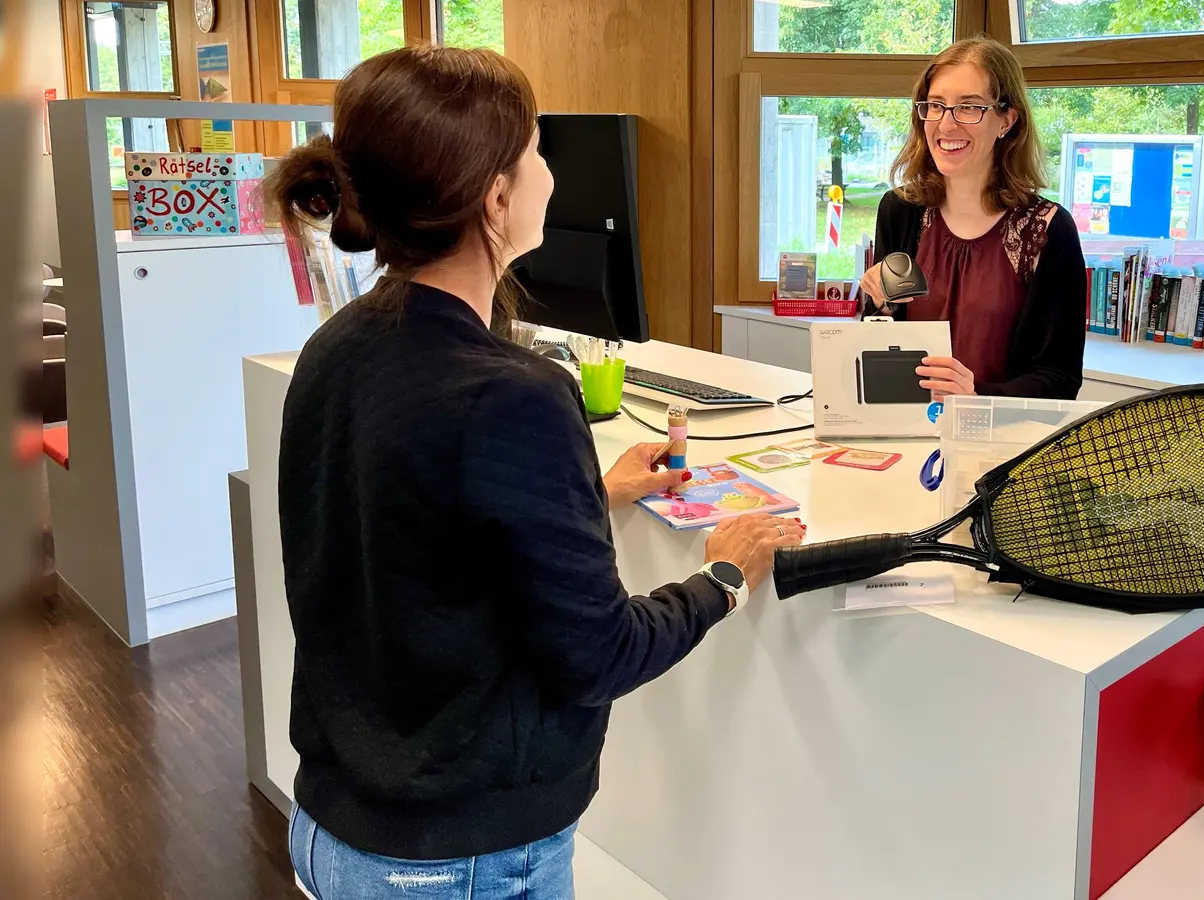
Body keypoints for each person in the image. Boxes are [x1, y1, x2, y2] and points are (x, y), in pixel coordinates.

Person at [266, 46, 805, 900]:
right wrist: (725, 576)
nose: (550, 171)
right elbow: (601, 654)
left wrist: (591, 491)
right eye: (537, 149)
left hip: (334, 830)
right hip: (460, 860)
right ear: (496, 195)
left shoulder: (339, 344)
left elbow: (419, 533)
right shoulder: (514, 396)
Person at [859, 37, 1087, 400]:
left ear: (1006, 120)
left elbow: (1059, 378)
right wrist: (881, 306)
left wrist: (975, 396)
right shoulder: (899, 210)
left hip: (1002, 441)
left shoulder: (1048, 229)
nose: (946, 125)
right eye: (936, 105)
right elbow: (877, 346)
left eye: (969, 107)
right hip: (908, 431)